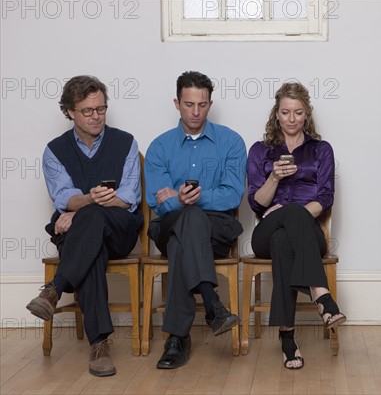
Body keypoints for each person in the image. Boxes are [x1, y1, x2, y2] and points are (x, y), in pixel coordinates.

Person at [26, 75, 142, 377]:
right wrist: (88, 202)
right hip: (79, 237)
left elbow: (129, 197)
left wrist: (82, 207)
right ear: (70, 112)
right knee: (92, 251)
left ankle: (55, 289)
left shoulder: (125, 142)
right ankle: (99, 345)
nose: (96, 116)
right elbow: (63, 197)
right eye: (88, 111)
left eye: (101, 109)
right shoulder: (55, 150)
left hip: (120, 229)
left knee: (89, 218)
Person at [144, 71, 246, 369]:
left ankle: (177, 338)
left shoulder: (231, 142)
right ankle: (212, 304)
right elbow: (155, 201)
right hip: (168, 224)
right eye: (189, 104)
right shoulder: (160, 146)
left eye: (202, 104)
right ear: (177, 103)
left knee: (183, 237)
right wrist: (179, 202)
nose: (195, 111)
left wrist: (184, 197)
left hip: (216, 229)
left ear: (210, 103)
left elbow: (232, 196)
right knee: (185, 220)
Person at [247, 82, 346, 370]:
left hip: (307, 234)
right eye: (285, 112)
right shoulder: (260, 151)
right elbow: (257, 203)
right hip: (264, 231)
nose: (292, 119)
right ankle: (321, 295)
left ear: (307, 114)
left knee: (284, 240)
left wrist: (294, 213)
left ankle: (287, 339)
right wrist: (274, 178)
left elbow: (325, 199)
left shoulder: (321, 150)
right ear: (276, 114)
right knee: (278, 231)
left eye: (298, 112)